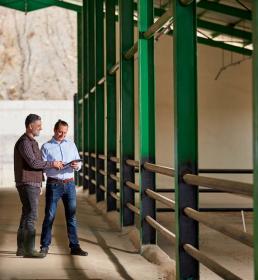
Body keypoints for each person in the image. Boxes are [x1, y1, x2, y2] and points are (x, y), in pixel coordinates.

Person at [14, 114, 63, 258]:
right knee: (32, 215)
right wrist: (52, 164)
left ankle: (22, 248)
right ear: (30, 126)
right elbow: (33, 163)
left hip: (33, 182)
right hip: (27, 182)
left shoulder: (33, 142)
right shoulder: (24, 142)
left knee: (26, 213)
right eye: (38, 125)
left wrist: (40, 182)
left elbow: (36, 164)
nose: (41, 128)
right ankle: (29, 250)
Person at [40, 119, 87, 257]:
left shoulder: (71, 145)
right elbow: (41, 165)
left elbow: (79, 163)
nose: (62, 135)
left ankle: (75, 247)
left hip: (70, 184)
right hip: (53, 184)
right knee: (49, 216)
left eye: (65, 132)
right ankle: (44, 246)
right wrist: (52, 164)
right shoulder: (46, 147)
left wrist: (76, 166)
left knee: (71, 217)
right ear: (55, 130)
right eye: (60, 131)